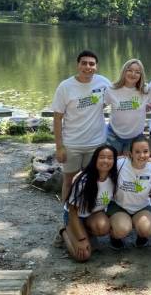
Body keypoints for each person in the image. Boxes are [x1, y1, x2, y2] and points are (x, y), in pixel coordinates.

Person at [51, 50, 111, 202]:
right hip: (72, 143)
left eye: (91, 64)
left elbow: (119, 96)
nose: (87, 67)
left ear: (96, 67)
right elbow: (57, 118)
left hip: (96, 143)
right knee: (69, 181)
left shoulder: (103, 83)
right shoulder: (65, 87)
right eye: (84, 63)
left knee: (93, 180)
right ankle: (66, 217)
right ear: (78, 65)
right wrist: (59, 147)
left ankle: (88, 213)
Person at [61, 145, 118, 262]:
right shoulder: (83, 180)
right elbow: (72, 211)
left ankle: (86, 233)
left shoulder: (113, 178)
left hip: (93, 214)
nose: (106, 161)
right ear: (95, 159)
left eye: (110, 158)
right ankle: (63, 231)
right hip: (74, 217)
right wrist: (81, 239)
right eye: (102, 157)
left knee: (103, 227)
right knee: (83, 256)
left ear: (114, 161)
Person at [107, 136, 151, 248]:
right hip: (119, 205)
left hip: (141, 208)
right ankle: (114, 236)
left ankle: (141, 235)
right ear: (130, 153)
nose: (142, 155)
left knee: (147, 229)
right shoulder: (120, 164)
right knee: (122, 229)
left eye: (145, 151)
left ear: (150, 153)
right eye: (137, 152)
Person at [105, 59, 151, 155]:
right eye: (130, 70)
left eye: (137, 72)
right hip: (113, 135)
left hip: (135, 137)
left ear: (141, 75)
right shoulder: (112, 89)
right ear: (124, 71)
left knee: (128, 166)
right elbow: (104, 104)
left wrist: (148, 106)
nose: (133, 74)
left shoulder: (145, 89)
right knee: (112, 164)